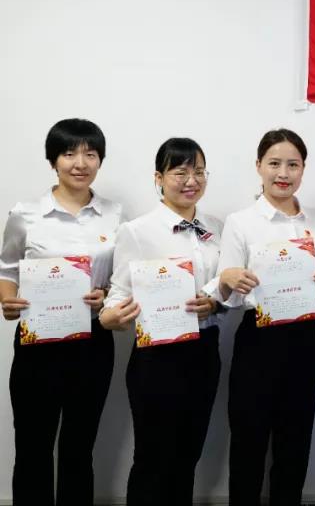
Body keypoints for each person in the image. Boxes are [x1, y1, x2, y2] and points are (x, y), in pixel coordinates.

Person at [0, 118, 123, 505]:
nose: (80, 163)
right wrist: (7, 300)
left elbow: (121, 279)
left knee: (78, 447)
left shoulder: (115, 215)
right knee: (33, 446)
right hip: (38, 341)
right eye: (69, 153)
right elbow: (7, 269)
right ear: (53, 160)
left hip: (93, 341)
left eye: (90, 154)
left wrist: (106, 296)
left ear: (100, 160)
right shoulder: (26, 213)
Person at [213, 129, 315, 505]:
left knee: (295, 439)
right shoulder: (241, 221)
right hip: (258, 337)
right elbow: (227, 293)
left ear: (303, 169)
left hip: (304, 337)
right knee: (248, 439)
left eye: (292, 165)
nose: (283, 173)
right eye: (274, 164)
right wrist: (231, 279)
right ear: (259, 166)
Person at [99, 137, 222, 506]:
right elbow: (118, 293)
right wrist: (110, 316)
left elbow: (225, 289)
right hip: (157, 356)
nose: (191, 181)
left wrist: (215, 302)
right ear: (159, 178)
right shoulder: (137, 231)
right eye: (180, 172)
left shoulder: (215, 227)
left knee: (188, 454)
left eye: (199, 172)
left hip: (204, 351)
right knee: (153, 458)